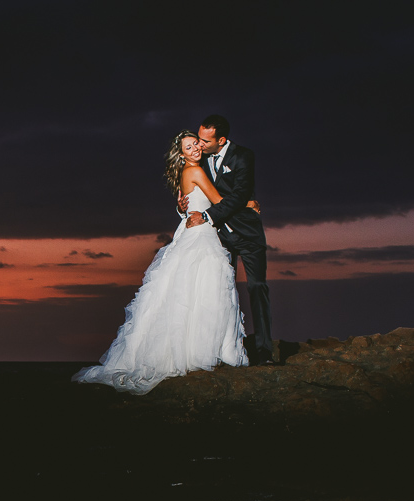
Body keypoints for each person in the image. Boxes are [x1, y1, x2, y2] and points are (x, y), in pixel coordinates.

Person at [72, 130, 247, 394]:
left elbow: (185, 205)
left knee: (185, 292)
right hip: (200, 235)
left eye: (196, 144)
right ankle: (205, 353)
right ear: (183, 153)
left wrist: (181, 207)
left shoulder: (186, 173)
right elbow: (220, 201)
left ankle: (191, 352)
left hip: (188, 232)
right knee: (206, 290)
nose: (195, 150)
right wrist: (249, 203)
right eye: (188, 148)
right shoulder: (196, 171)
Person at [180, 115, 274, 365]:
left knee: (257, 288)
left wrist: (209, 215)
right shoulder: (198, 162)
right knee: (220, 293)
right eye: (197, 139)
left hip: (247, 233)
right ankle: (224, 351)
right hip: (218, 237)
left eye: (204, 140)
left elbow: (238, 194)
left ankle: (264, 351)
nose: (199, 145)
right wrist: (183, 208)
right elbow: (195, 194)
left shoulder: (243, 156)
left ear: (221, 140)